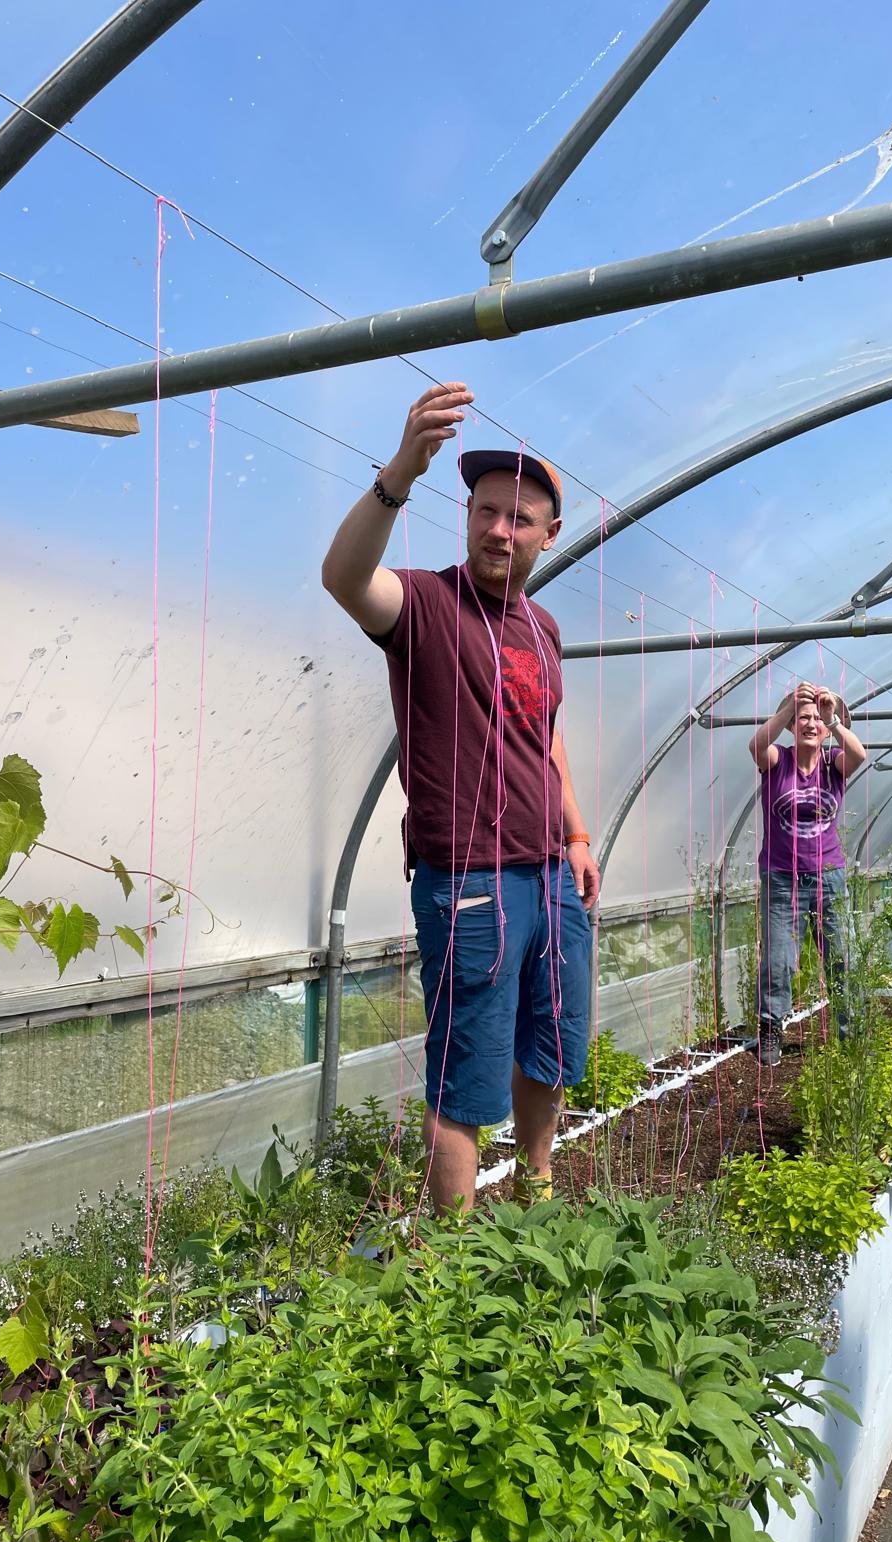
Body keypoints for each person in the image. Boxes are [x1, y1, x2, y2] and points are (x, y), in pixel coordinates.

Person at [321, 382, 600, 1214]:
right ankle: (457, 1263)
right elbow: (343, 578)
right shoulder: (427, 604)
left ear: (549, 536)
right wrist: (400, 470)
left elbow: (545, 741)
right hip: (472, 883)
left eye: (519, 519)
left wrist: (579, 838)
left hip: (552, 875)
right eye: (486, 510)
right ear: (467, 515)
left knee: (551, 1044)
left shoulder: (543, 630)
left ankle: (539, 1188)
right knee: (466, 1072)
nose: (498, 529)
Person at [748, 681, 866, 1066]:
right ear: (792, 726)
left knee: (841, 956)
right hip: (782, 879)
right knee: (779, 960)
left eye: (815, 718)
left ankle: (850, 1033)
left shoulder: (834, 764)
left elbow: (860, 754)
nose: (810, 724)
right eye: (804, 718)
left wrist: (833, 719)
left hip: (828, 877)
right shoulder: (777, 760)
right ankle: (769, 1033)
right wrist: (787, 708)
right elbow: (754, 747)